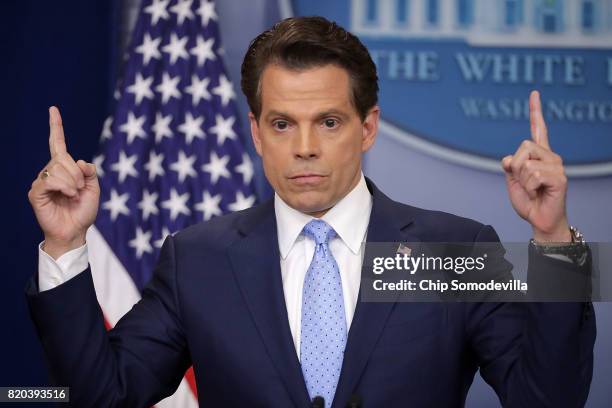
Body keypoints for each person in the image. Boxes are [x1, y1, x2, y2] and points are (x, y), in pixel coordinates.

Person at [26, 16, 595, 407]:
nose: (304, 147)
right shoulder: (198, 258)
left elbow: (549, 398)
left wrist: (553, 242)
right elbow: (101, 395)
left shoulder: (455, 250)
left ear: (366, 127)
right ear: (255, 132)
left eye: (328, 121)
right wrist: (65, 248)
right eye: (281, 124)